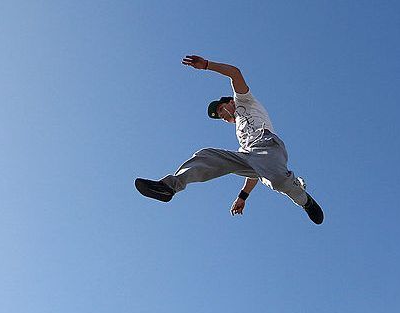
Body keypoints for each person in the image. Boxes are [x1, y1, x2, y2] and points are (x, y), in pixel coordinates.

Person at [134, 55, 324, 225]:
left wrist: (207, 65)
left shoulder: (244, 100)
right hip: (248, 154)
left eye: (220, 110)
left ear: (230, 102)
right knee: (206, 155)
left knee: (276, 181)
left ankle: (305, 200)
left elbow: (235, 73)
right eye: (219, 116)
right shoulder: (239, 132)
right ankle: (168, 187)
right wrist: (243, 196)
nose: (222, 116)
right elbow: (254, 170)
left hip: (267, 145)